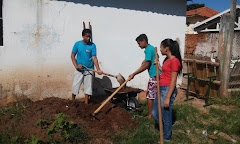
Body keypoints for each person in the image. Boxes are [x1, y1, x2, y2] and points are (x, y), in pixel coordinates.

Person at [152, 38, 182, 142]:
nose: (160, 49)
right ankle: (164, 129)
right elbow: (165, 72)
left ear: (166, 48)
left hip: (167, 89)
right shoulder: (167, 60)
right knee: (154, 112)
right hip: (161, 88)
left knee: (166, 115)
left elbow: (173, 80)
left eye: (161, 47)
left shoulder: (175, 61)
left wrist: (168, 98)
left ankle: (166, 137)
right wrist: (158, 65)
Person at [129, 34, 161, 118]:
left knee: (150, 96)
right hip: (159, 75)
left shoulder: (148, 50)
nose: (139, 46)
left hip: (155, 75)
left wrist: (134, 74)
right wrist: (145, 60)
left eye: (139, 43)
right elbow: (155, 57)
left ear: (144, 41)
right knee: (156, 95)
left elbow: (146, 65)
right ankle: (156, 113)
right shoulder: (152, 48)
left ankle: (150, 115)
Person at [71, 29, 103, 104]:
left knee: (88, 88)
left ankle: (86, 104)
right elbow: (72, 56)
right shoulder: (77, 44)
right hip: (79, 70)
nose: (88, 38)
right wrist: (76, 66)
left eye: (89, 37)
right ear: (82, 36)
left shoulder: (92, 45)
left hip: (89, 70)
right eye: (87, 37)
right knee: (75, 86)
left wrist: (98, 69)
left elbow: (94, 58)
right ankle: (72, 101)